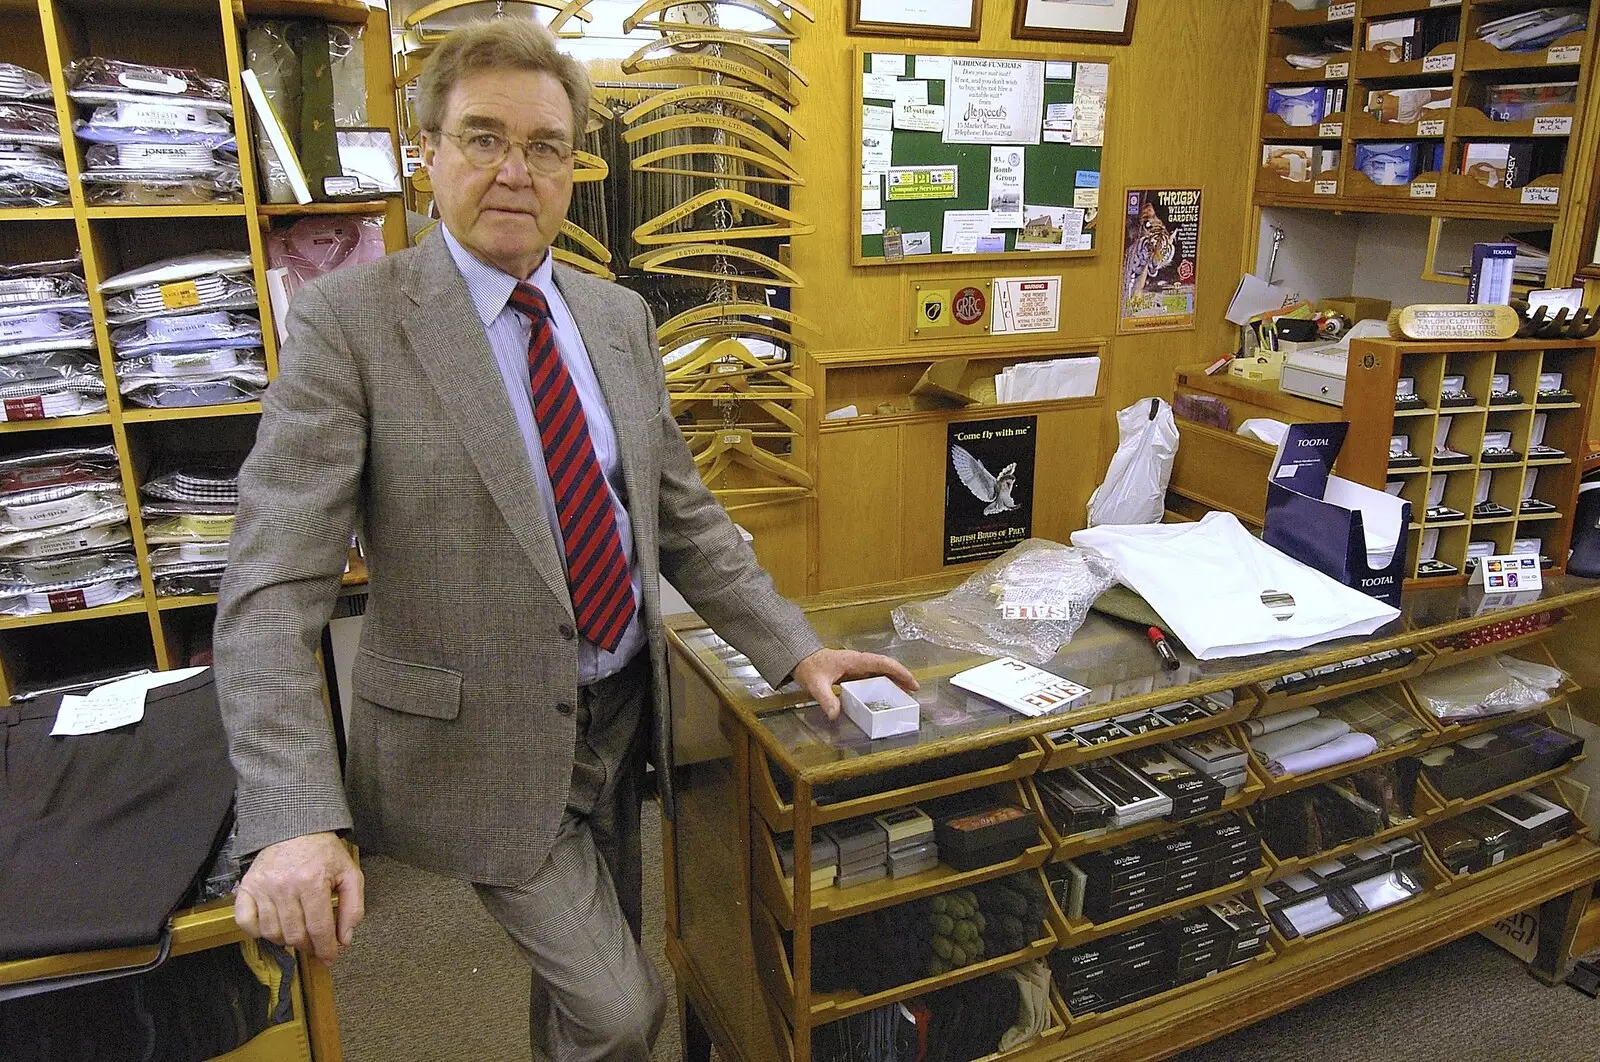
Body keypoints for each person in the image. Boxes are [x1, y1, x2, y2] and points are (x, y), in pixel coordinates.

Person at [213, 18, 915, 1062]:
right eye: (482, 137)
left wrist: (795, 646)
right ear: (428, 154)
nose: (514, 170)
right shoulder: (352, 324)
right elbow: (273, 583)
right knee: (621, 1005)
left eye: (544, 145)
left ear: (574, 166)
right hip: (478, 742)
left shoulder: (615, 314)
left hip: (618, 719)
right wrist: (289, 813)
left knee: (585, 990)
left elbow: (679, 514)